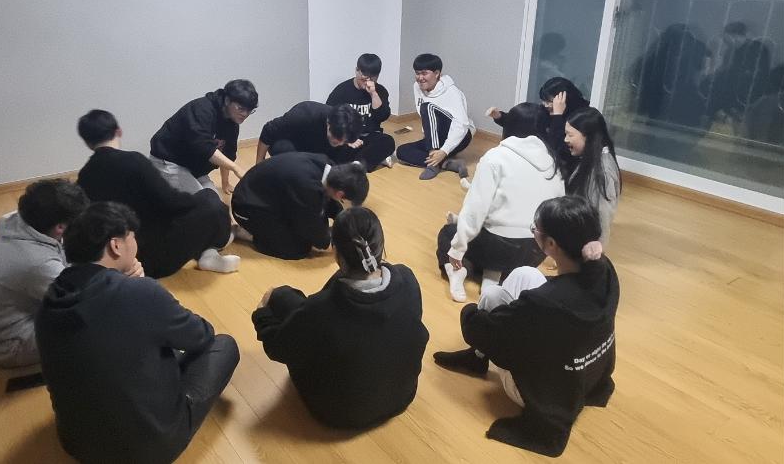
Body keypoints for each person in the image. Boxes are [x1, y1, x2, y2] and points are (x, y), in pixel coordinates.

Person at [36, 202, 239, 464]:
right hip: (148, 449)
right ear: (116, 245)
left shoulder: (50, 299)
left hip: (77, 444)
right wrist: (142, 286)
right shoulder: (139, 292)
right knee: (224, 345)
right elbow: (201, 335)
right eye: (132, 236)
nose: (135, 243)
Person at [433, 196, 619, 457]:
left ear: (551, 244)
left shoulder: (544, 304)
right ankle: (478, 356)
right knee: (524, 274)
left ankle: (477, 358)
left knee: (492, 297)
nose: (534, 233)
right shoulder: (604, 271)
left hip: (544, 394)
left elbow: (480, 330)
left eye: (536, 230)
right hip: (588, 377)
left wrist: (470, 311)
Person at [252, 207, 429, 429]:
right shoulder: (407, 278)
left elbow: (278, 350)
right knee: (295, 303)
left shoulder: (320, 309)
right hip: (401, 396)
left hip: (340, 414)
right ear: (380, 245)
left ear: (336, 252)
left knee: (280, 296)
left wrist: (261, 315)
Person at [76, 110, 240, 277]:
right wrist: (200, 201)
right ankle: (218, 244)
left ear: (87, 143)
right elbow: (173, 202)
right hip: (159, 255)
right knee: (210, 199)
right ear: (118, 131)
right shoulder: (134, 161)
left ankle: (209, 253)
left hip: (122, 260)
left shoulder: (84, 176)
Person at [437, 103, 564, 302]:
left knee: (448, 233)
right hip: (536, 251)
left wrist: (457, 248)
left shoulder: (495, 157)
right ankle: (492, 277)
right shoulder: (553, 161)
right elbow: (559, 209)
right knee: (497, 233)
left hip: (498, 247)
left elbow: (475, 209)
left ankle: (458, 273)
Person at [0, 179, 91, 367]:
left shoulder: (23, 223)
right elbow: (80, 303)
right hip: (8, 345)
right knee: (98, 324)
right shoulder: (38, 263)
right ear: (60, 227)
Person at [231, 152, 369, 260]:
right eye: (344, 202)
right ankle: (248, 234)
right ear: (340, 194)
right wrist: (338, 240)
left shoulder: (327, 167)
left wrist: (344, 221)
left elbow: (328, 202)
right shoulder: (308, 188)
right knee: (299, 248)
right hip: (246, 207)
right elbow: (319, 240)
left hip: (265, 196)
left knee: (310, 221)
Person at [150, 79, 258, 195]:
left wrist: (225, 183)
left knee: (213, 198)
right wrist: (236, 168)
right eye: (241, 108)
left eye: (250, 110)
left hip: (193, 165)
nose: (245, 114)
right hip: (169, 160)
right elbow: (204, 147)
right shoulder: (201, 109)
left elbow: (228, 153)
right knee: (203, 202)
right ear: (227, 100)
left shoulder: (232, 122)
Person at [396, 53, 475, 180]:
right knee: (401, 151)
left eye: (424, 73)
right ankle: (446, 163)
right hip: (436, 137)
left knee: (427, 107)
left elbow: (462, 125)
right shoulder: (417, 87)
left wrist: (444, 151)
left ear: (437, 73)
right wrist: (429, 140)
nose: (420, 78)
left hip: (461, 137)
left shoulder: (452, 92)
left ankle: (433, 162)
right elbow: (427, 119)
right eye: (417, 73)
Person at [325, 53, 397, 171]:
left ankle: (358, 165)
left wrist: (373, 94)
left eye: (372, 77)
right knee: (334, 149)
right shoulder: (342, 91)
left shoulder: (380, 91)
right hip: (347, 138)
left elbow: (382, 116)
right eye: (364, 76)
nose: (367, 80)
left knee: (387, 141)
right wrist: (346, 140)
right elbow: (329, 117)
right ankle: (370, 160)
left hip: (369, 136)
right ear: (357, 70)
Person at [563, 107, 622, 249]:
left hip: (586, 244)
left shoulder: (603, 172)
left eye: (570, 135)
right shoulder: (589, 160)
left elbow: (603, 217)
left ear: (588, 136)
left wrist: (596, 251)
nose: (565, 139)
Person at [486, 77, 590, 156]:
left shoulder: (581, 117)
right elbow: (525, 121)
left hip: (562, 162)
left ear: (563, 100)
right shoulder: (547, 109)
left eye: (549, 101)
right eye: (544, 100)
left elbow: (559, 148)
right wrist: (500, 116)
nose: (545, 105)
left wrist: (557, 115)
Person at [255, 102, 363, 164]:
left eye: (343, 140)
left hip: (317, 150)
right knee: (283, 148)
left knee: (345, 154)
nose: (339, 142)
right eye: (336, 137)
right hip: (292, 145)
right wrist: (258, 165)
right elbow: (268, 130)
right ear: (328, 122)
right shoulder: (304, 114)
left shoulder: (345, 135)